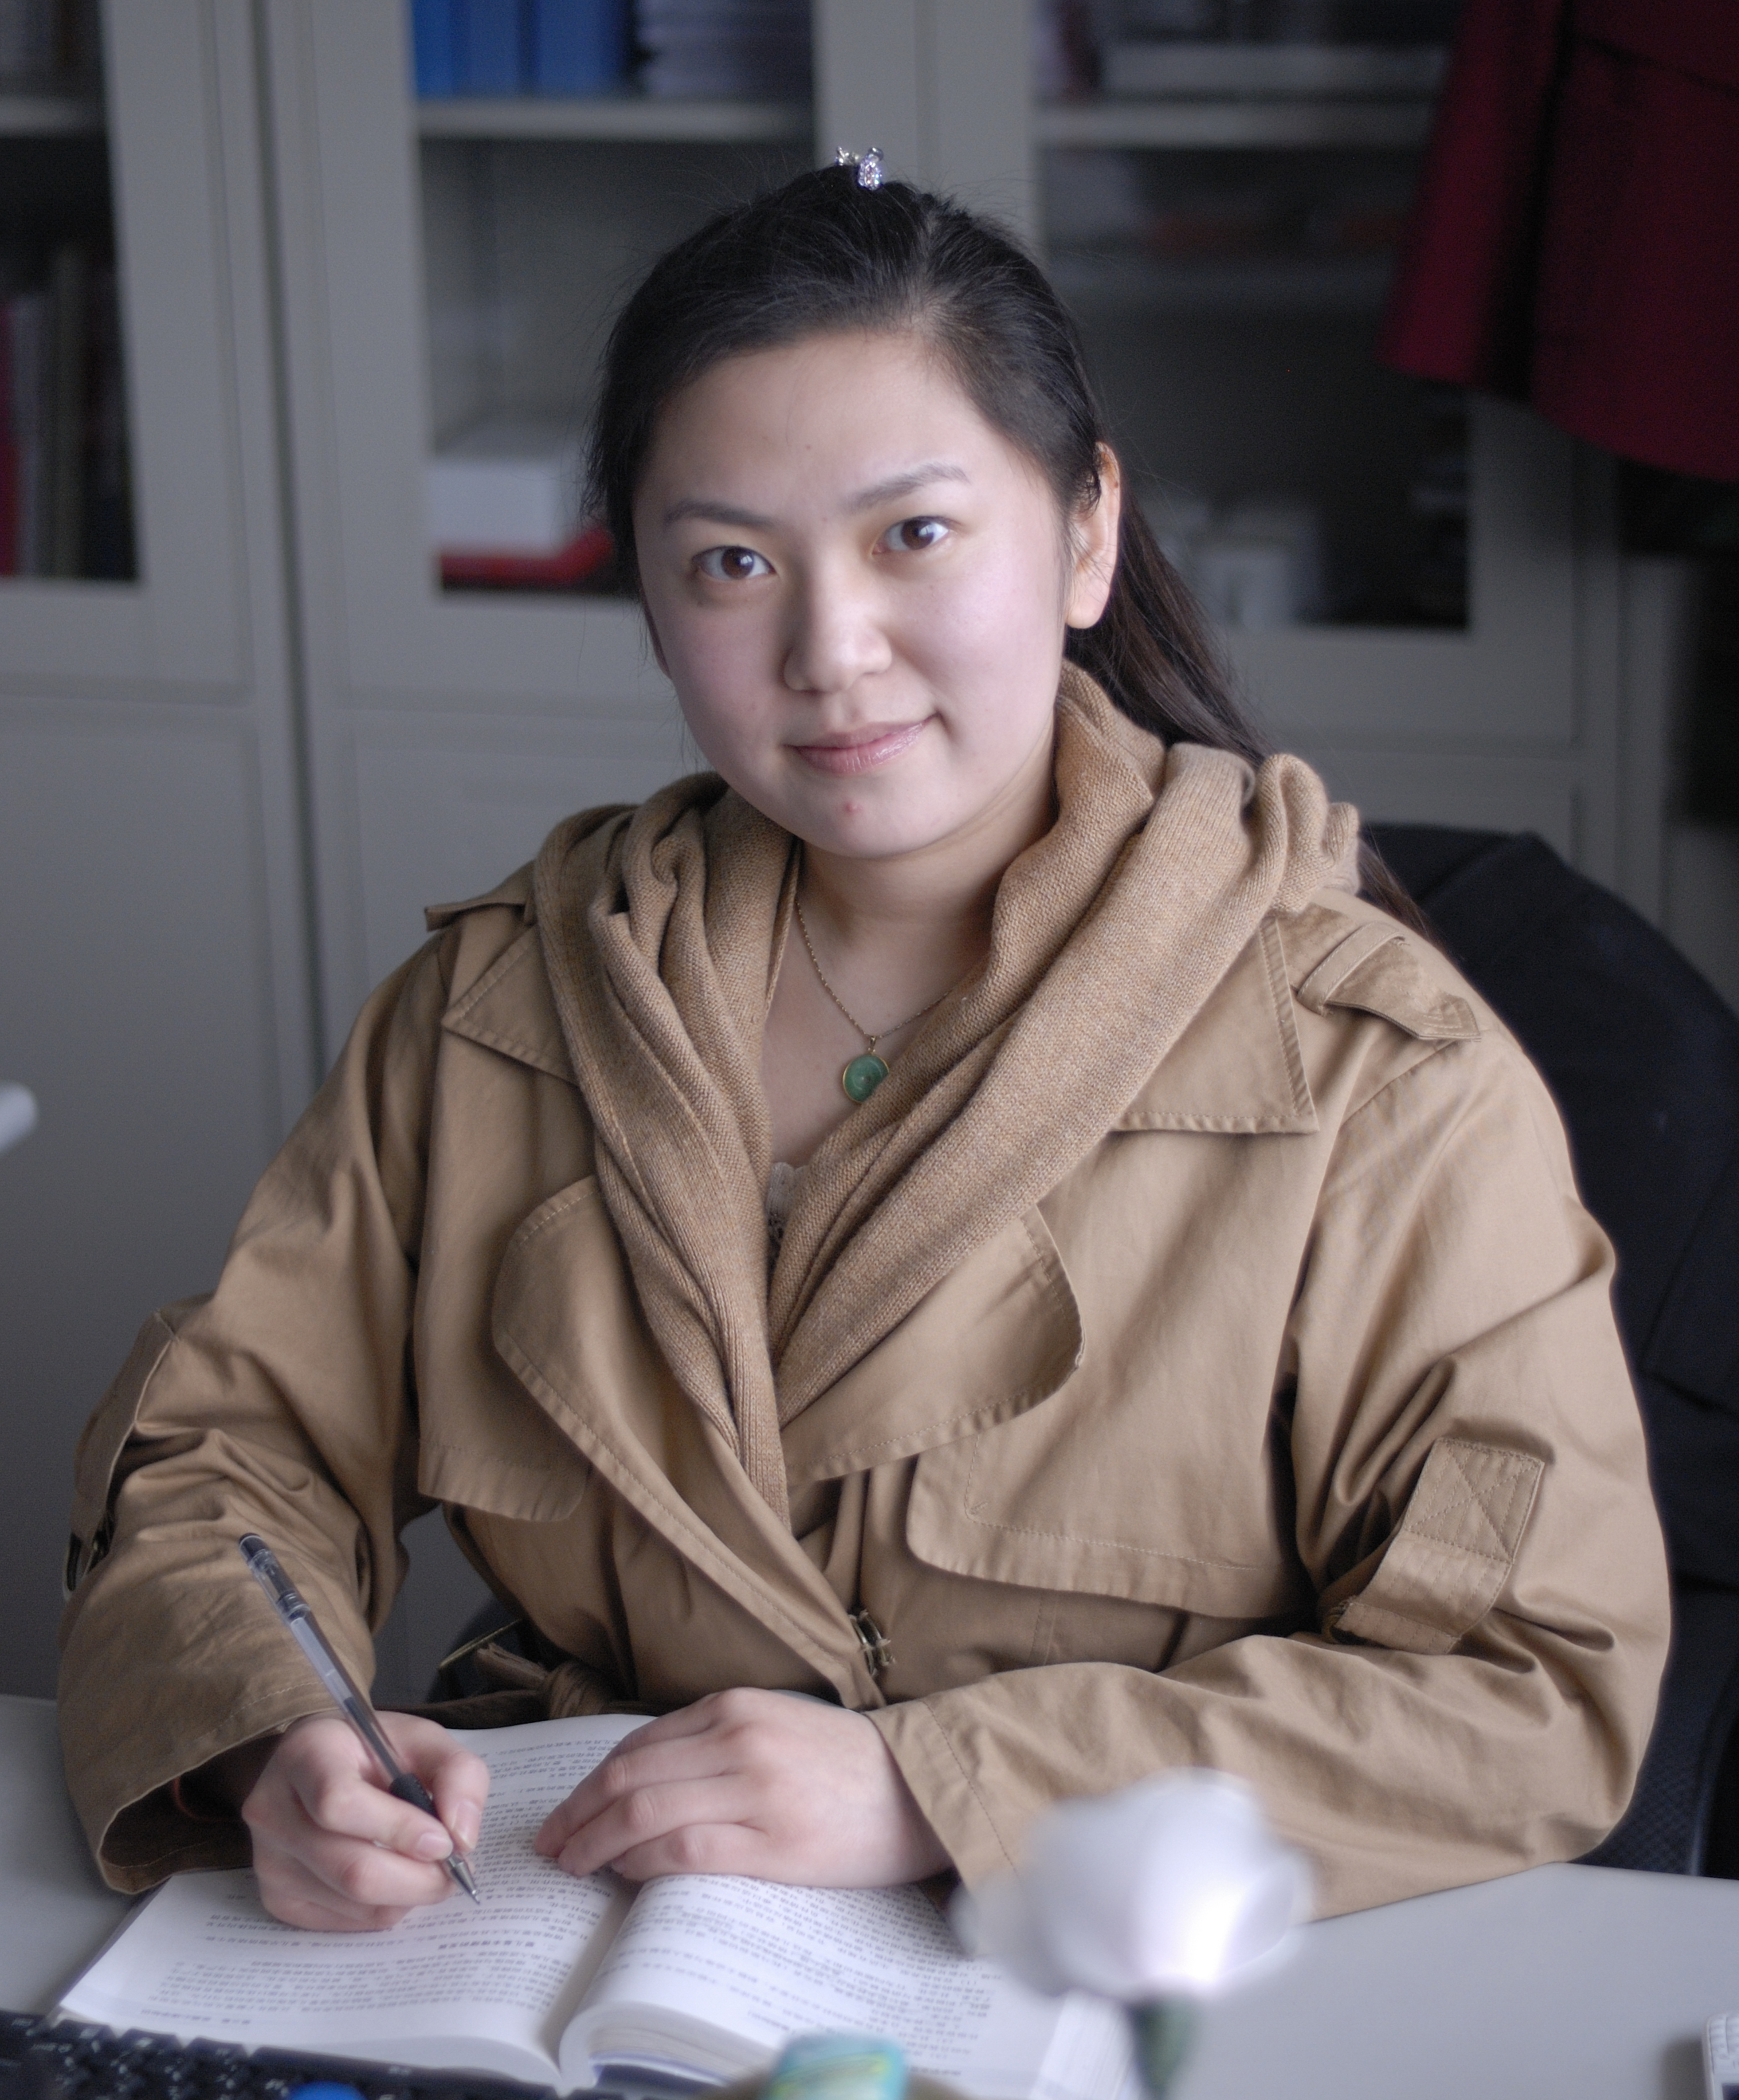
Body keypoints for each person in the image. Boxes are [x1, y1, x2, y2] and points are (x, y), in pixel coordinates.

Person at [59, 161, 1668, 1935]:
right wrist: (267, 1733)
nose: (830, 651)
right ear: (650, 602)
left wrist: (935, 1784)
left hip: (1122, 1965)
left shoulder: (1375, 1070)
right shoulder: (503, 1011)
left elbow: (1532, 1683)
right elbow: (234, 1447)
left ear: (1085, 534)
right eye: (732, 564)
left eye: (915, 536)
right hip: (572, 1926)